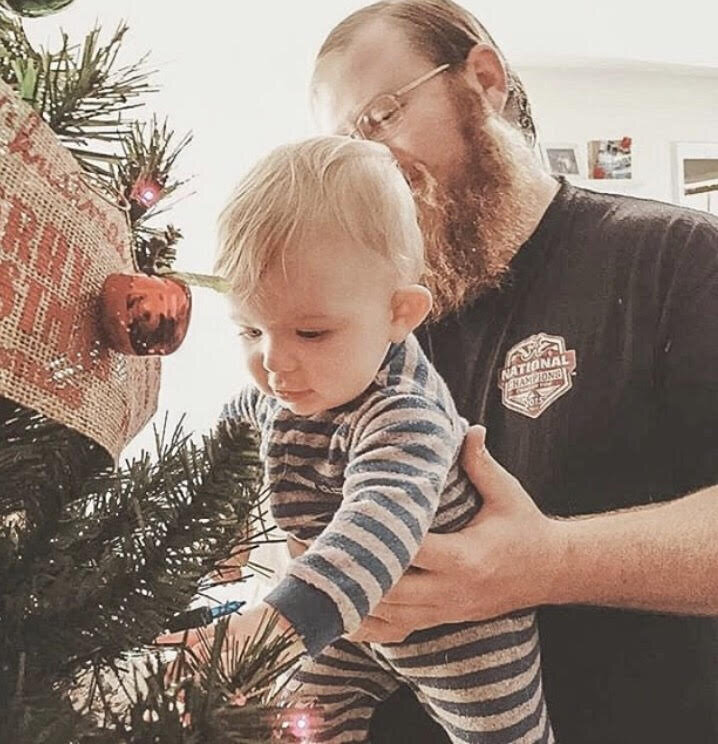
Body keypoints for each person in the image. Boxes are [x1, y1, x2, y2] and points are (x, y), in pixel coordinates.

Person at [306, 1, 718, 742]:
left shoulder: (679, 257)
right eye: (346, 147)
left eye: (381, 118)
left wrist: (550, 563)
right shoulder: (378, 322)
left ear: (484, 78)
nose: (370, 166)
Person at [179, 135, 554, 742]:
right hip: (346, 625)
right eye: (250, 329)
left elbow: (375, 526)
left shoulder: (406, 414)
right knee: (296, 723)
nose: (274, 363)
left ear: (399, 314)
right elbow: (223, 458)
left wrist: (268, 627)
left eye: (311, 331)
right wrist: (222, 529)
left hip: (462, 630)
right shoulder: (277, 395)